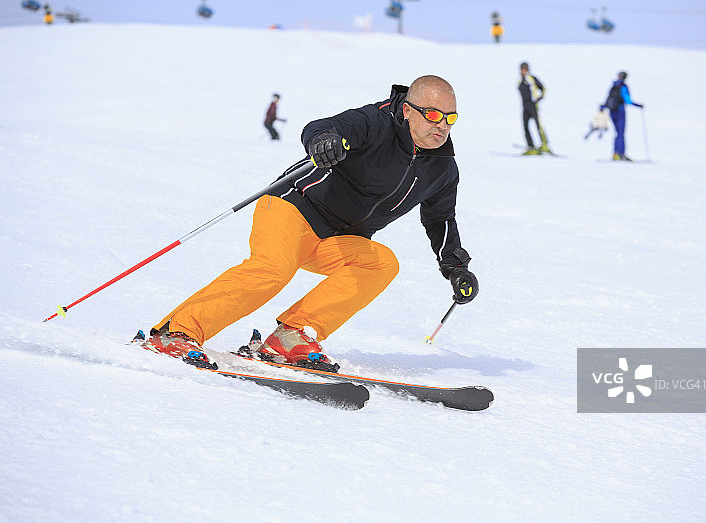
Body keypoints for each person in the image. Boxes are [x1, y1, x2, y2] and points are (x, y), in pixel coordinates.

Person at [141, 75, 479, 370]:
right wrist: (323, 142)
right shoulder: (375, 123)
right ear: (408, 110)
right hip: (293, 209)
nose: (442, 125)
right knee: (273, 269)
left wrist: (456, 267)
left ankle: (290, 337)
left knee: (381, 263)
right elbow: (321, 127)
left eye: (451, 118)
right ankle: (177, 332)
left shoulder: (442, 168)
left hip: (339, 238)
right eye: (434, 115)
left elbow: (440, 220)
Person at [602, 71, 643, 161]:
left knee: (617, 133)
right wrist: (638, 105)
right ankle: (620, 153)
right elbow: (628, 100)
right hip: (620, 111)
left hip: (612, 111)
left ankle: (615, 153)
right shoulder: (623, 87)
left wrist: (603, 107)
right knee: (621, 133)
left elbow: (608, 99)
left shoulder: (613, 86)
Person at [518, 62, 551, 155]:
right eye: (523, 69)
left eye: (526, 69)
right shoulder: (519, 81)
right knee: (525, 126)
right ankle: (531, 146)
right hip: (524, 106)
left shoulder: (532, 79)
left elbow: (543, 88)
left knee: (538, 125)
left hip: (533, 105)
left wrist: (538, 99)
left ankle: (544, 145)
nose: (524, 71)